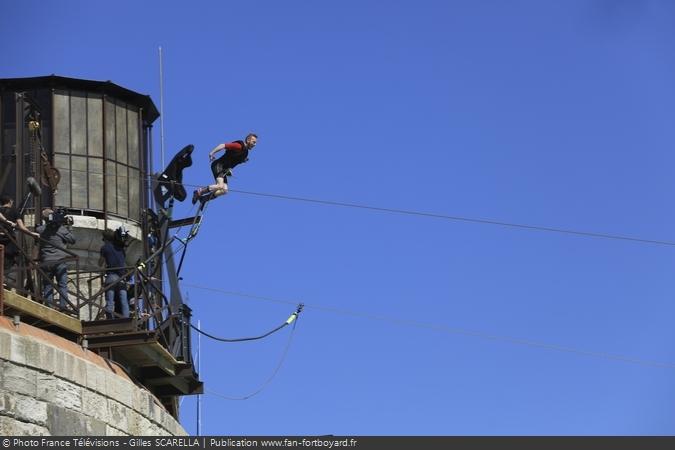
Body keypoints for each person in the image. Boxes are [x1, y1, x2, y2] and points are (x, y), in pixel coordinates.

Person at [192, 133, 258, 205]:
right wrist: (212, 153)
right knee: (220, 185)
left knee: (224, 190)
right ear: (248, 140)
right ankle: (198, 192)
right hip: (218, 165)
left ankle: (204, 199)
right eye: (253, 142)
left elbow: (235, 160)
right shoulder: (238, 146)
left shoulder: (245, 153)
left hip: (223, 170)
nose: (255, 144)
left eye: (255, 143)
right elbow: (223, 145)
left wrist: (243, 161)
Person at [36, 208, 76, 310]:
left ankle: (48, 307)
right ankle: (63, 307)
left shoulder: (41, 229)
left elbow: (38, 232)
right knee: (62, 285)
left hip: (46, 261)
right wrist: (69, 227)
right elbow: (72, 240)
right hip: (60, 261)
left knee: (47, 286)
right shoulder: (61, 229)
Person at [0, 194, 39, 287]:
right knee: (12, 262)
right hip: (9, 241)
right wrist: (32, 234)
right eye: (12, 202)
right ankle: (6, 282)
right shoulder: (14, 211)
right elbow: (22, 227)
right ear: (9, 202)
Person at [99, 226, 130, 319]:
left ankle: (110, 319)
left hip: (111, 276)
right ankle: (126, 319)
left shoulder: (105, 248)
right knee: (124, 301)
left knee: (110, 301)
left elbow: (100, 263)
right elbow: (123, 262)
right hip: (122, 278)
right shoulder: (121, 249)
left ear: (105, 239)